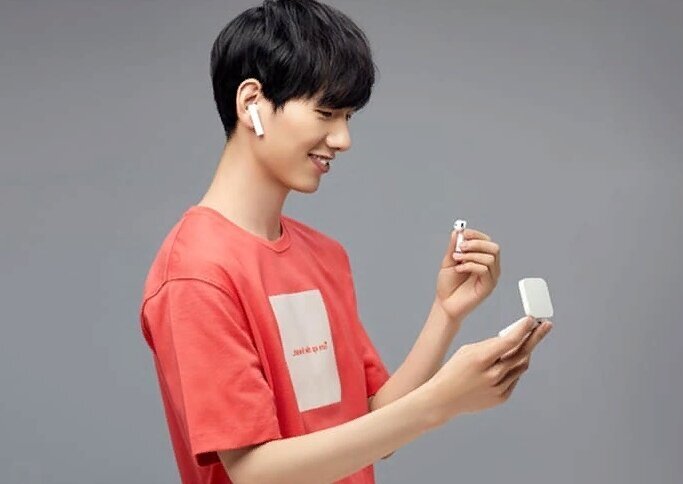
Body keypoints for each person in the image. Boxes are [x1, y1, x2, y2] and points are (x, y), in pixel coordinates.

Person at [138, 1, 554, 483]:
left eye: (348, 117)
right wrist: (439, 402)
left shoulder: (324, 256)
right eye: (326, 112)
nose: (343, 139)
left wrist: (446, 314)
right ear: (252, 102)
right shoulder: (195, 273)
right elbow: (254, 472)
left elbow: (371, 423)